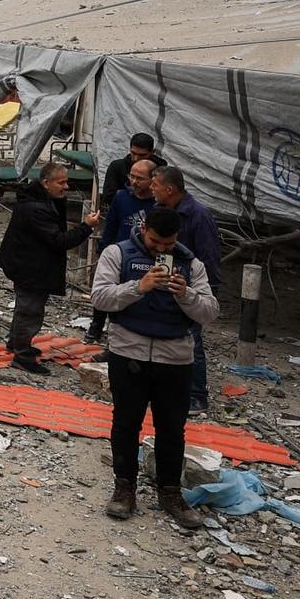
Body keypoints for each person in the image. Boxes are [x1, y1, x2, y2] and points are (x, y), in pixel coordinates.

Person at [89, 206, 218, 529]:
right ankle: (124, 488)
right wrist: (139, 287)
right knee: (126, 423)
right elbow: (100, 298)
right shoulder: (117, 254)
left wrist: (186, 295)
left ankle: (171, 492)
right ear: (144, 229)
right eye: (155, 242)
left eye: (168, 244)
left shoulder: (192, 264)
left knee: (172, 429)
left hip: (175, 358)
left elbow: (210, 312)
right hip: (128, 353)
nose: (161, 249)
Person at [0, 160, 100, 373]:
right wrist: (86, 227)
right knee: (30, 310)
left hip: (27, 262)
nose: (66, 187)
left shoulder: (40, 201)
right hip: (30, 267)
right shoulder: (37, 209)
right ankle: (22, 355)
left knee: (26, 306)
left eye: (66, 182)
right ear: (45, 183)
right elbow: (60, 240)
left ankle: (16, 343)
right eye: (61, 183)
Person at [149, 165, 222, 413]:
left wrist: (202, 290)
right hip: (163, 282)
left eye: (155, 185)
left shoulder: (198, 216)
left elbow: (209, 255)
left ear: (169, 189)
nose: (151, 189)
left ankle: (197, 394)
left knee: (192, 338)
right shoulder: (159, 210)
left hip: (190, 286)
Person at [89, 157, 159, 340]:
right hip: (119, 254)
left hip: (145, 256)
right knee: (107, 291)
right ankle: (96, 326)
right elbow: (111, 225)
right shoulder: (121, 197)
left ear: (153, 180)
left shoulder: (157, 204)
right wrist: (103, 250)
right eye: (131, 176)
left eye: (140, 178)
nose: (134, 182)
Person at [102, 132, 162, 205]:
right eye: (133, 153)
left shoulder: (161, 170)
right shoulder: (117, 167)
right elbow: (109, 196)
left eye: (142, 155)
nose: (136, 158)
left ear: (152, 152)